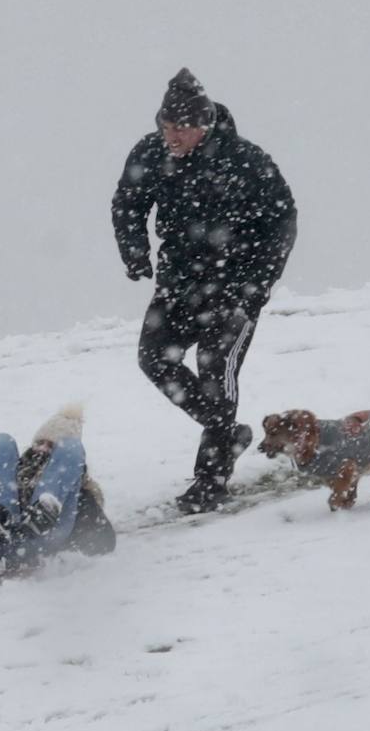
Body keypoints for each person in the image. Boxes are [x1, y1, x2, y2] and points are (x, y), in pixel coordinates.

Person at [111, 68, 298, 513]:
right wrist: (134, 249)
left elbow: (282, 221)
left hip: (235, 288)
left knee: (216, 372)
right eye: (165, 126)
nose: (170, 136)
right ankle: (226, 432)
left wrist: (257, 285)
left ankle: (210, 479)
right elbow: (128, 202)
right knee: (154, 358)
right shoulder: (151, 152)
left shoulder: (246, 161)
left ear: (204, 124)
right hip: (179, 283)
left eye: (180, 128)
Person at [0, 405, 115, 569]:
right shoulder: (9, 478)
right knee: (1, 442)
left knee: (72, 446)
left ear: (59, 458)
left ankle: (42, 514)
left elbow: (105, 541)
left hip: (39, 543)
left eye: (51, 447)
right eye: (40, 442)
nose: (42, 449)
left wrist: (66, 552)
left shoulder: (77, 493)